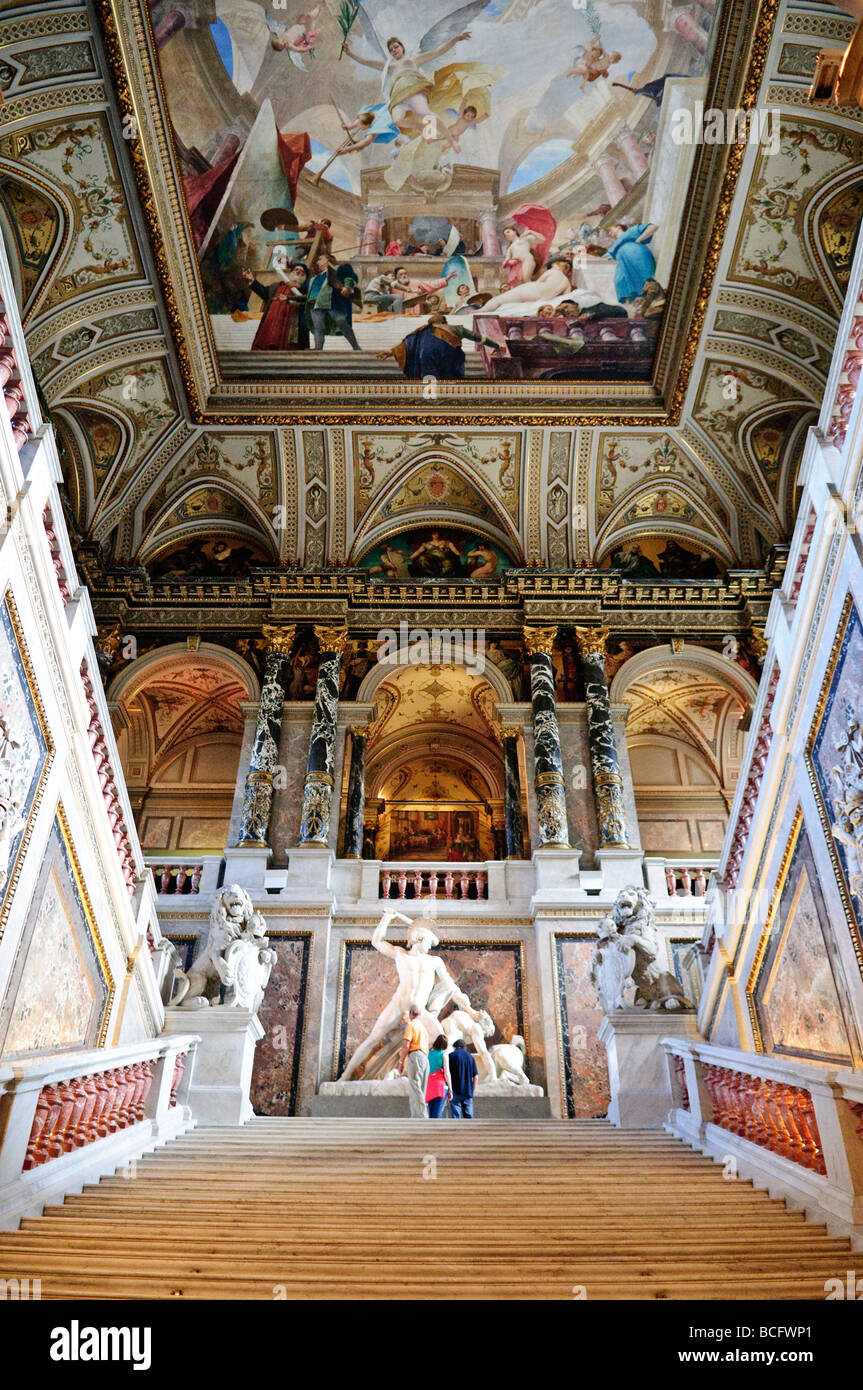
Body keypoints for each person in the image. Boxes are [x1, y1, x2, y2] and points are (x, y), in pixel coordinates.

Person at [379, 312, 497, 379]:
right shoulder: (456, 328)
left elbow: (407, 344)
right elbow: (479, 338)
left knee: (429, 383)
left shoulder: (421, 331)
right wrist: (496, 345)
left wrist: (391, 351)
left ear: (429, 323)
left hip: (426, 360)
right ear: (445, 322)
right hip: (449, 360)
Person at [242, 261, 309, 351]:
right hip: (272, 323)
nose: (298, 272)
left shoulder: (306, 290)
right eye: (296, 269)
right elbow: (264, 292)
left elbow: (308, 301)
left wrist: (298, 288)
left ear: (305, 276)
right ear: (291, 272)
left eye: (301, 271)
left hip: (292, 324)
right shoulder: (278, 286)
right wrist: (252, 281)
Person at [306, 253, 361, 350]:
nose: (317, 262)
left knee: (342, 322)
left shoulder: (340, 269)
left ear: (328, 259)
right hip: (315, 304)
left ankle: (356, 347)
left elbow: (350, 277)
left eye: (320, 259)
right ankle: (318, 348)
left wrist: (347, 287)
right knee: (318, 327)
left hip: (333, 302)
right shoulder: (314, 278)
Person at [482, 257, 572, 313]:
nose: (551, 267)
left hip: (536, 290)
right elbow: (566, 298)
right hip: (544, 298)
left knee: (502, 299)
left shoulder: (552, 271)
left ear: (558, 266)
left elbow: (538, 282)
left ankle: (482, 310)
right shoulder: (566, 282)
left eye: (553, 266)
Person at [605, 222, 658, 303]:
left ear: (618, 227)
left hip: (636, 254)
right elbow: (605, 257)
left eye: (610, 230)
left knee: (644, 277)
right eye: (608, 233)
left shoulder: (631, 231)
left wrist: (639, 240)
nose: (609, 233)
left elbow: (653, 227)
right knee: (619, 281)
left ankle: (651, 295)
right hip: (623, 264)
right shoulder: (613, 246)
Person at [397, 1004, 430, 1118]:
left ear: (410, 1013)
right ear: (419, 1015)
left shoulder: (411, 1025)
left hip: (415, 1056)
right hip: (425, 1059)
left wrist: (400, 1062)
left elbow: (406, 1045)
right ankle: (416, 1116)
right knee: (420, 1088)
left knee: (415, 1087)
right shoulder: (423, 1028)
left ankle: (422, 1115)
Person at [448, 1037, 478, 1119]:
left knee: (456, 1117)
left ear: (454, 1047)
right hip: (468, 1091)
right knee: (469, 1117)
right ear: (465, 1047)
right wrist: (472, 1090)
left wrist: (449, 1090)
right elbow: (475, 1077)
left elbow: (447, 1074)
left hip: (455, 1091)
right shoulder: (471, 1058)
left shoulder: (450, 1056)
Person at [426, 1033, 452, 1118]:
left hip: (430, 1085)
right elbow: (447, 1072)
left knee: (431, 1112)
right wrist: (450, 1089)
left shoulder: (429, 1054)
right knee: (437, 1112)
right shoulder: (444, 1055)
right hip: (440, 1086)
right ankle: (436, 1131)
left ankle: (430, 1130)